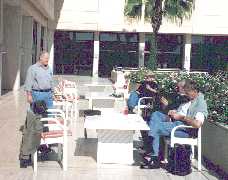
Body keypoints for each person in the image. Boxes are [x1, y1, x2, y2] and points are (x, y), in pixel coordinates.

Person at [141, 79, 208, 169]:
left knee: (155, 127)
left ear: (195, 91)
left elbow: (197, 124)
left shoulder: (200, 103)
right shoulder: (191, 99)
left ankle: (154, 156)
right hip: (176, 122)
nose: (186, 94)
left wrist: (180, 117)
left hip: (184, 130)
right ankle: (153, 149)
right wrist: (174, 112)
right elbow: (183, 111)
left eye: (187, 92)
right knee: (156, 116)